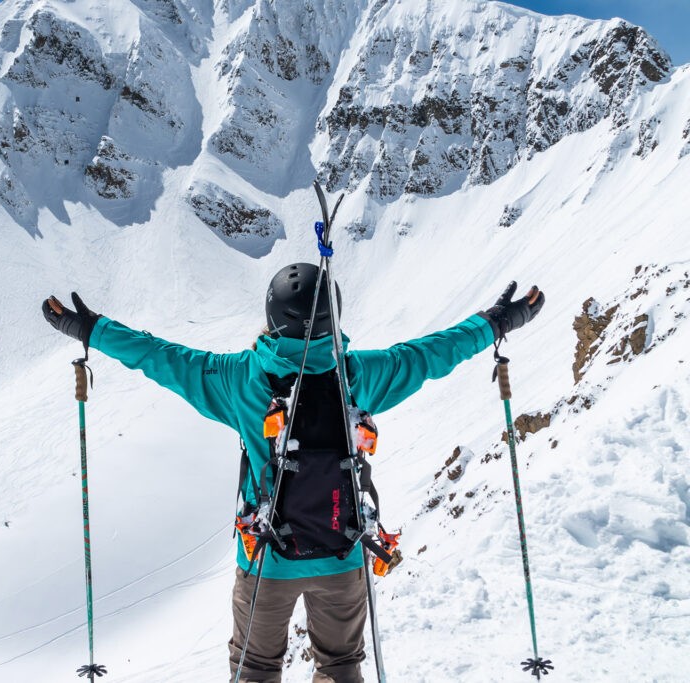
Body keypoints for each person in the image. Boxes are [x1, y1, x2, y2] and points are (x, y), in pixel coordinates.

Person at [42, 267, 544, 683]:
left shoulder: (239, 378)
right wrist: (497, 322)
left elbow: (164, 358)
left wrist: (92, 330)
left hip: (265, 562)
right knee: (341, 664)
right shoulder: (361, 376)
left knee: (255, 668)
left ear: (271, 317)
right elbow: (432, 354)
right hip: (343, 553)